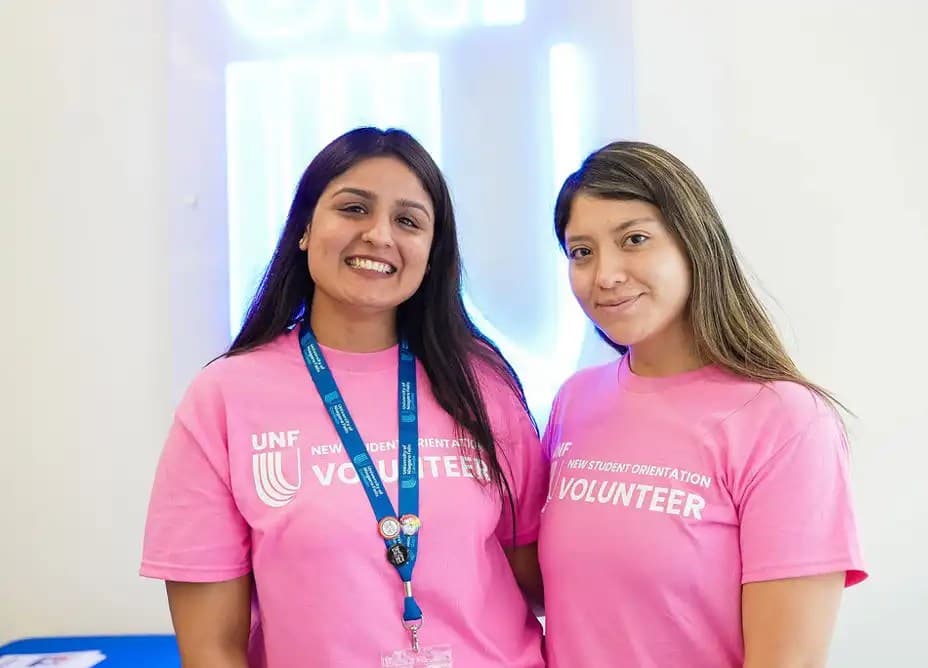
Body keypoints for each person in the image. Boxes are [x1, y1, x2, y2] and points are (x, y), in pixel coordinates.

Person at [140, 127, 547, 667]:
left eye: (408, 220)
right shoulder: (225, 398)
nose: (379, 235)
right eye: (354, 208)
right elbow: (213, 648)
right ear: (305, 229)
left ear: (431, 252)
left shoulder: (482, 385)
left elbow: (544, 582)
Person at [537, 141, 868, 667]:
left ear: (694, 243)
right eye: (582, 251)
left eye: (635, 239)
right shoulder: (575, 401)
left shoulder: (785, 420)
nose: (605, 274)